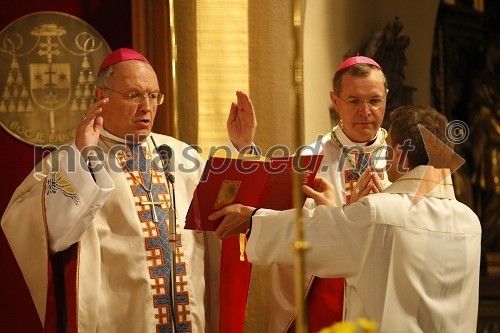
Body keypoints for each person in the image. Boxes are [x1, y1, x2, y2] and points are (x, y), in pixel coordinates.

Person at [1, 48, 256, 332]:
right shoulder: (72, 160)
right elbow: (46, 233)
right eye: (134, 95)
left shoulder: (181, 155)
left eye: (153, 95)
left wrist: (240, 149)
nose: (146, 106)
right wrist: (84, 162)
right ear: (101, 98)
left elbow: (225, 213)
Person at [213, 105, 482, 332]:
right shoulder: (470, 222)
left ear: (400, 154)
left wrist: (252, 219)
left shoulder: (379, 212)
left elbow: (310, 236)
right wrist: (338, 214)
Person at [214, 56, 390, 332]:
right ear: (335, 101)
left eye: (375, 100)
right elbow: (263, 213)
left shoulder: (403, 161)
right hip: (324, 302)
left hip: (384, 296)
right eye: (354, 101)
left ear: (386, 98)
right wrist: (244, 148)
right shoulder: (309, 158)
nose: (366, 111)